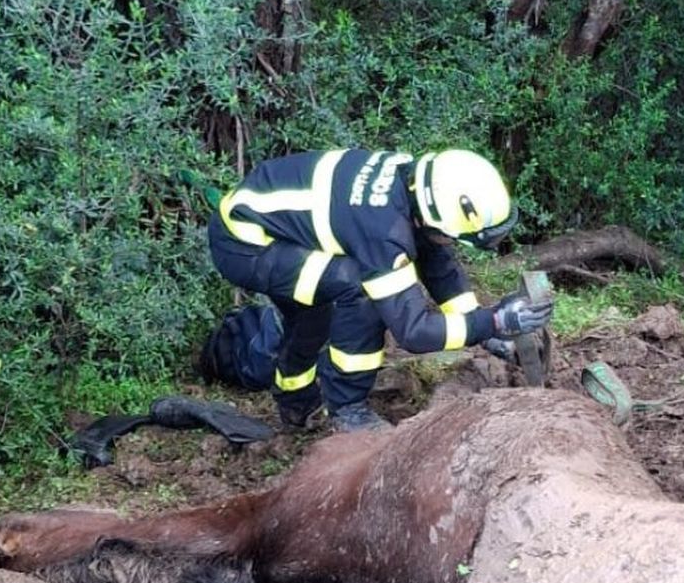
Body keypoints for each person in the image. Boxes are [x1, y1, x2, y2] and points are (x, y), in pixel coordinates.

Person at [206, 147, 554, 432]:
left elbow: (437, 258)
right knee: (358, 291)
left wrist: (480, 327)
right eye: (454, 236)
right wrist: (492, 322)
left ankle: (296, 404)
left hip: (279, 229)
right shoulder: (382, 230)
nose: (453, 243)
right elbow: (414, 332)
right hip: (248, 245)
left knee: (313, 315)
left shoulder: (413, 184)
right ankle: (346, 409)